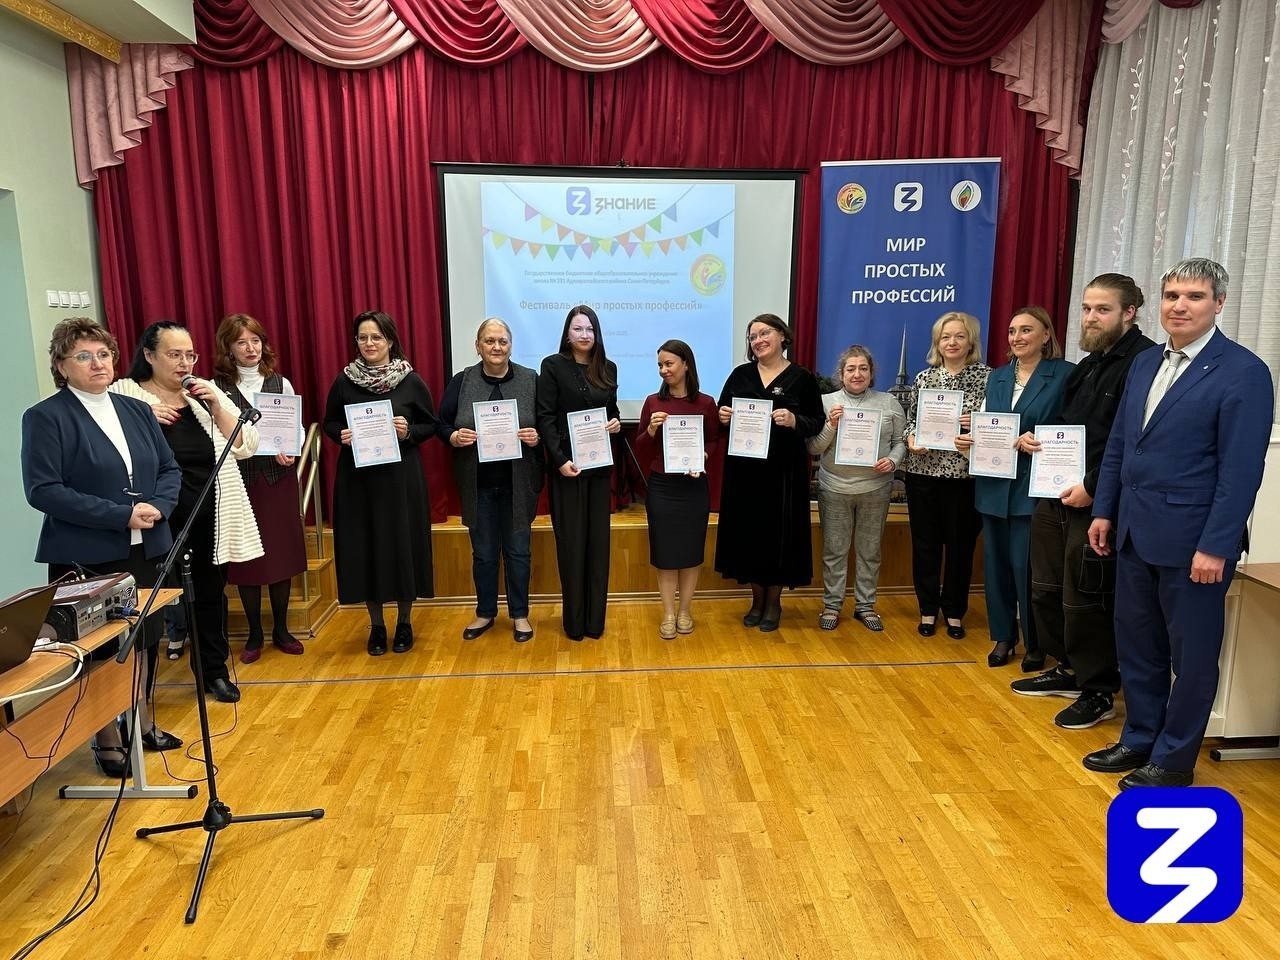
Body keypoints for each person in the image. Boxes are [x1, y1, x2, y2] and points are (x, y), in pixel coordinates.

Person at [1084, 258, 1273, 789]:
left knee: (1192, 659)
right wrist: (1104, 510)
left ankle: (1172, 759)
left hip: (1194, 545)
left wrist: (1217, 545)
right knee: (1138, 646)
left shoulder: (1244, 371)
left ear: (1219, 303)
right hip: (1132, 533)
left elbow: (1240, 471)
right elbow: (1122, 445)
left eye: (1194, 296)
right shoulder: (1145, 362)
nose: (1180, 306)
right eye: (1172, 296)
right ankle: (1140, 737)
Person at [21, 319, 185, 776]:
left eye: (104, 354)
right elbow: (44, 490)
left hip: (146, 545)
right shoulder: (46, 417)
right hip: (86, 552)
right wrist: (120, 515)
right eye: (83, 356)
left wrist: (158, 507)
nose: (97, 363)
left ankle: (143, 722)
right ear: (61, 366)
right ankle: (106, 738)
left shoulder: (136, 410)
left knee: (145, 640)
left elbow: (169, 469)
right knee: (98, 651)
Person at [1013, 276, 1155, 728]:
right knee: (1046, 587)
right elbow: (1067, 425)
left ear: (1129, 312)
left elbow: (1131, 440)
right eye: (1087, 308)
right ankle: (1069, 669)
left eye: (1102, 309)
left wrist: (1094, 487)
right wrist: (1036, 439)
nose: (1091, 318)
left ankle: (1099, 689)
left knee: (1086, 597)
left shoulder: (1144, 362)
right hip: (1055, 493)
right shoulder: (1089, 365)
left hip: (1097, 501)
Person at [112, 321, 263, 703]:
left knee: (210, 595)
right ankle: (137, 694)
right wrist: (144, 416)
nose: (184, 363)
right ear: (149, 355)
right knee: (147, 602)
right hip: (155, 519)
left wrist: (216, 406)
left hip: (208, 512)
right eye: (174, 354)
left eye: (190, 355)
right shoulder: (124, 395)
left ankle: (213, 672)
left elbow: (246, 444)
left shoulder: (203, 393)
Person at [323, 310, 436, 656]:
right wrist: (340, 435)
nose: (369, 343)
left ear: (390, 340)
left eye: (376, 337)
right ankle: (376, 626)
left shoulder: (410, 380)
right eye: (363, 337)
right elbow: (329, 422)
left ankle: (404, 623)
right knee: (365, 548)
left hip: (401, 481)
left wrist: (408, 431)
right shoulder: (344, 382)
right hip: (358, 481)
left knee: (403, 546)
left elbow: (430, 425)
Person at [964, 308, 1071, 670]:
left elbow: (1075, 432)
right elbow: (988, 425)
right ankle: (1003, 636)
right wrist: (969, 441)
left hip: (1035, 487)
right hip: (993, 486)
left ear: (1046, 335)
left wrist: (1038, 439)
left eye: (1026, 330)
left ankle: (1036, 642)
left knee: (1029, 571)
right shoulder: (997, 377)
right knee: (996, 569)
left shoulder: (1065, 375)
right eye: (1012, 331)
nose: (1017, 337)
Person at [715, 314, 824, 630]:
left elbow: (816, 421)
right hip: (744, 471)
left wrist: (795, 420)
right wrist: (723, 415)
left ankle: (774, 603)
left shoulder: (802, 378)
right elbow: (722, 412)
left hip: (783, 473)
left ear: (782, 336)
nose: (758, 341)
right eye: (752, 337)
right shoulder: (741, 375)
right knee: (749, 535)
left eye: (764, 333)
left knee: (778, 536)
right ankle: (756, 600)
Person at [439, 318, 541, 643]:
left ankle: (520, 615)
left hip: (518, 484)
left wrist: (537, 437)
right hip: (478, 484)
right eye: (489, 341)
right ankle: (484, 612)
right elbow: (441, 423)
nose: (497, 347)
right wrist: (454, 436)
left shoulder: (531, 379)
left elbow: (546, 423)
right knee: (483, 553)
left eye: (502, 341)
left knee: (518, 552)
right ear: (478, 346)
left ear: (510, 345)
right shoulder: (462, 380)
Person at [213, 314, 308, 663]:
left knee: (281, 557)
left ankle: (281, 629)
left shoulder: (280, 383)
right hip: (240, 483)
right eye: (241, 342)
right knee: (247, 561)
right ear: (229, 348)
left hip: (277, 481)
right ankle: (254, 634)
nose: (250, 348)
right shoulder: (216, 388)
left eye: (255, 341)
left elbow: (295, 428)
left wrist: (292, 449)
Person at [902, 312, 991, 640]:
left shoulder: (988, 378)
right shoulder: (924, 378)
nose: (952, 342)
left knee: (960, 548)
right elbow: (911, 422)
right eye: (945, 337)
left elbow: (997, 426)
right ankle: (927, 608)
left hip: (964, 477)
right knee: (925, 546)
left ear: (971, 341)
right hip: (923, 474)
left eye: (959, 336)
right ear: (937, 343)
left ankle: (954, 611)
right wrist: (911, 439)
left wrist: (976, 424)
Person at [535, 305, 621, 641]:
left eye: (590, 329)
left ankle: (595, 622)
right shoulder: (552, 366)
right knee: (571, 545)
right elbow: (545, 417)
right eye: (578, 329)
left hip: (598, 468)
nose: (584, 335)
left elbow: (611, 411)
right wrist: (559, 460)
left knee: (598, 546)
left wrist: (615, 423)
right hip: (567, 469)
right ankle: (574, 623)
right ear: (568, 334)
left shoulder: (608, 368)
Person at [807, 345, 906, 632]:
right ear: (841, 374)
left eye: (863, 368)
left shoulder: (889, 403)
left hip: (876, 488)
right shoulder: (826, 402)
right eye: (850, 369)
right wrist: (831, 425)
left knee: (869, 550)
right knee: (834, 550)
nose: (857, 374)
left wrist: (893, 460)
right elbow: (813, 447)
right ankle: (832, 605)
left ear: (872, 373)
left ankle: (865, 606)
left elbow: (900, 441)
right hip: (834, 488)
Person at [635, 340, 721, 639]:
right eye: (660, 365)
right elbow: (641, 448)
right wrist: (650, 429)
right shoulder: (652, 402)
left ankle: (685, 611)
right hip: (662, 487)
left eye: (669, 363)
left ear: (686, 364)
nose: (664, 370)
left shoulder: (706, 403)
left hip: (694, 487)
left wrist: (703, 456)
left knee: (691, 553)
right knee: (666, 554)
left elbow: (713, 440)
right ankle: (669, 613)